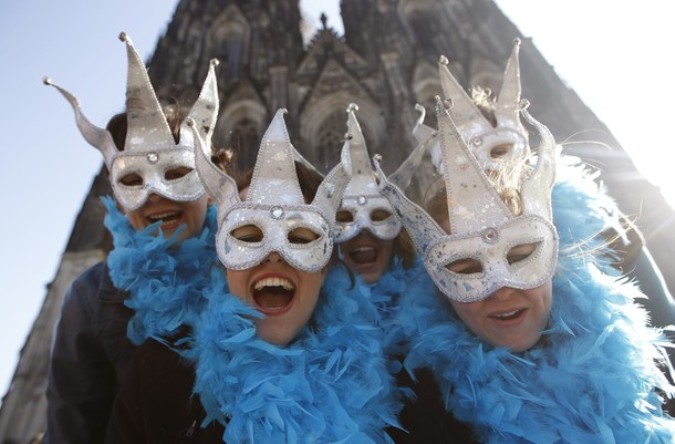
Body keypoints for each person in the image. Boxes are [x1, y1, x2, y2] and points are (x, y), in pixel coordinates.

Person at [375, 82, 675, 441]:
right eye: (466, 267)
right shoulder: (424, 405)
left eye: (521, 255)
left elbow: (663, 315)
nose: (501, 289)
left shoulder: (641, 356)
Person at [105, 109, 400, 442]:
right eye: (247, 236)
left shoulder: (391, 384)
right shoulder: (156, 382)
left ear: (328, 265)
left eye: (301, 237)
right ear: (221, 259)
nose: (273, 254)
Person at [43, 32, 221, 444]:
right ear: (116, 199)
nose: (156, 193)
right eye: (133, 179)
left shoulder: (255, 273)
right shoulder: (93, 296)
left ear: (212, 184)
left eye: (177, 173)